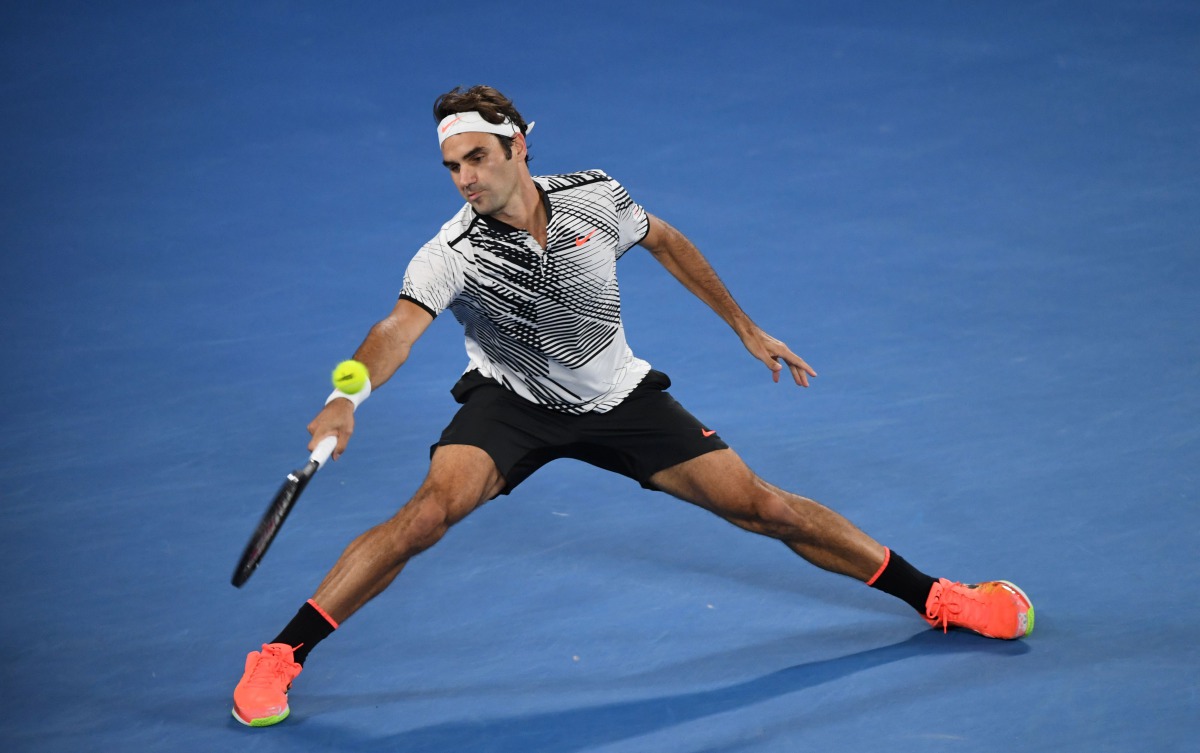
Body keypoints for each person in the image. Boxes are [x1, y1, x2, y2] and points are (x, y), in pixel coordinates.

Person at [230, 85, 1034, 727]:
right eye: (451, 166)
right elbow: (395, 329)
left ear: (517, 147)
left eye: (477, 157)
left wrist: (745, 326)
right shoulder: (452, 252)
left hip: (618, 398)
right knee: (426, 516)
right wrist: (348, 394)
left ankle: (940, 597)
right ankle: (279, 654)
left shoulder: (592, 197)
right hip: (511, 404)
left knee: (763, 506)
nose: (465, 177)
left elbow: (665, 239)